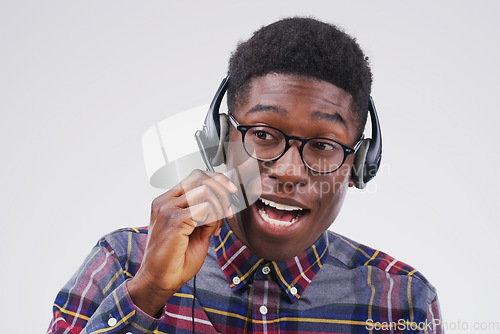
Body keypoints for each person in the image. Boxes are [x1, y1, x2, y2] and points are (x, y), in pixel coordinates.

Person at [47, 17, 442, 333]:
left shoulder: (402, 302)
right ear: (221, 140)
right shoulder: (122, 264)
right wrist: (147, 290)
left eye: (323, 145)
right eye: (264, 135)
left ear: (358, 165)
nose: (289, 171)